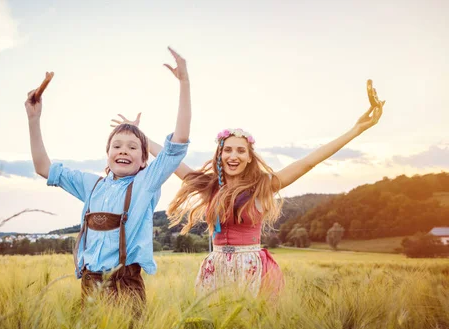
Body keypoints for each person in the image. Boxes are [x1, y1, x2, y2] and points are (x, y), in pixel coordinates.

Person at [113, 81, 385, 297]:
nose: (233, 155)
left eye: (240, 151)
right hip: (215, 268)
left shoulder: (262, 187)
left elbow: (308, 162)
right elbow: (171, 161)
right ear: (219, 155)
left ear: (249, 157)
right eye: (227, 150)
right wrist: (140, 136)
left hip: (252, 269)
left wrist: (355, 130)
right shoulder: (210, 187)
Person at [25, 47, 191, 305]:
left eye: (133, 147)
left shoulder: (146, 183)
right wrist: (34, 119)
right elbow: (43, 167)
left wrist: (184, 82)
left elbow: (178, 142)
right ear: (107, 154)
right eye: (117, 145)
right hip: (90, 284)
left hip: (127, 284)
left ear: (144, 159)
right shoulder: (91, 185)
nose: (124, 150)